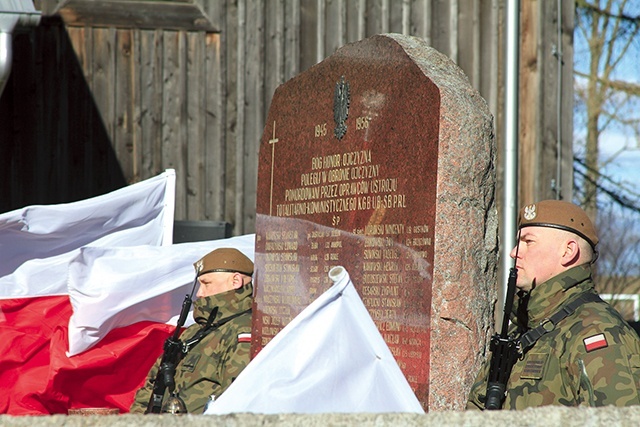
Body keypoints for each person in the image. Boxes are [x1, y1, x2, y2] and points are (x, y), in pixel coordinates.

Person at [467, 200, 640, 409]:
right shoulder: (519, 329)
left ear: (567, 252)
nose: (514, 252)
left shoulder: (599, 332)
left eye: (528, 242)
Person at [130, 247, 254, 414]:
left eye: (206, 283)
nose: (200, 293)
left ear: (235, 281)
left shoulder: (245, 330)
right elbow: (152, 386)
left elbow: (235, 399)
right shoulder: (193, 332)